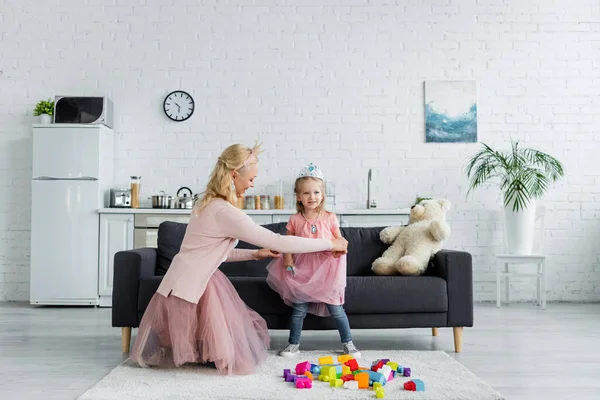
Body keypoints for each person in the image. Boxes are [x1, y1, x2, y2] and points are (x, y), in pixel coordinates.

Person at [128, 143, 348, 376]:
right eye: (251, 178)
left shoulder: (208, 204)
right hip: (190, 286)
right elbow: (280, 242)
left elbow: (212, 253)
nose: (253, 184)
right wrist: (329, 243)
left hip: (185, 280)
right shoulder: (225, 211)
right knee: (239, 357)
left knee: (226, 348)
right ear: (234, 175)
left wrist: (254, 254)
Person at [265, 163, 361, 359]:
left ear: (323, 195)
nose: (312, 197)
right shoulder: (295, 219)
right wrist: (288, 259)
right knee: (299, 309)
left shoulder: (330, 218)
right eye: (306, 193)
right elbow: (286, 243)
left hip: (326, 270)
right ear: (299, 197)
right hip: (303, 269)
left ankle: (348, 343)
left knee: (336, 308)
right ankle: (293, 344)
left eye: (316, 192)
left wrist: (339, 249)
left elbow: (339, 241)